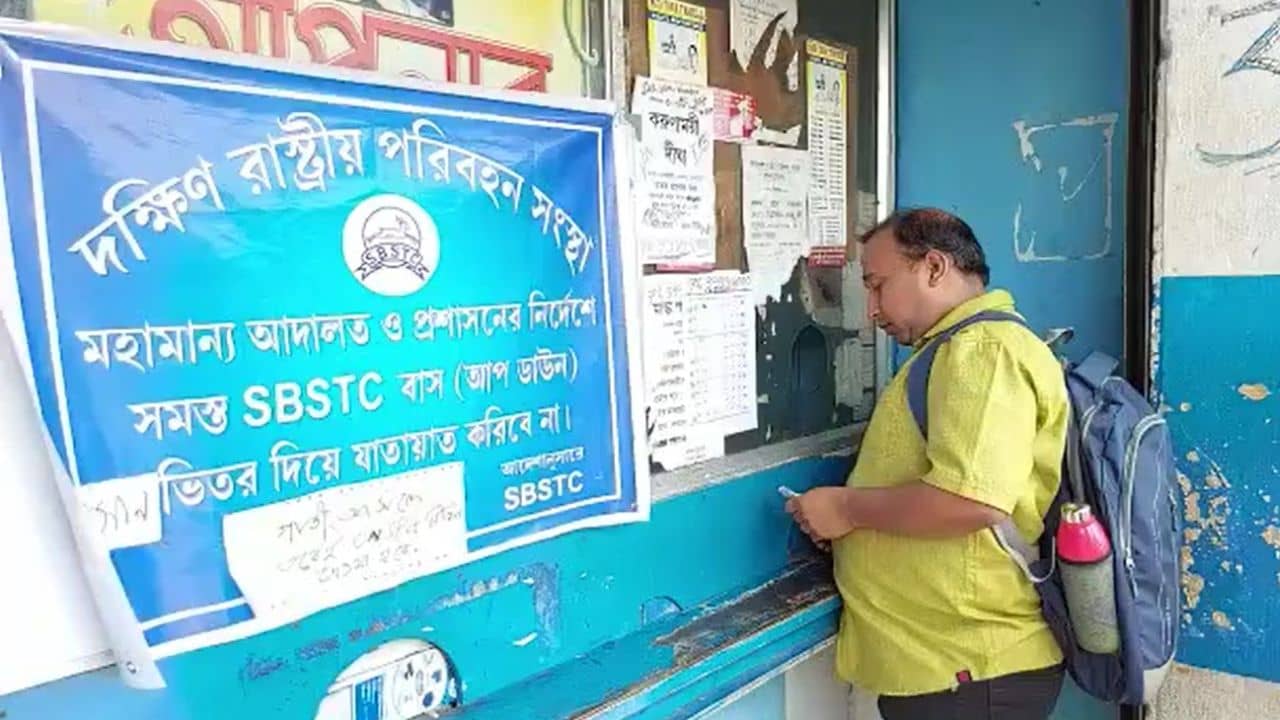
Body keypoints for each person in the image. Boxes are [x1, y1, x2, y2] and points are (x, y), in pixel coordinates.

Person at [785, 208, 1069, 720]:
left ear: (935, 267)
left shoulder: (983, 349)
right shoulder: (952, 350)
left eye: (878, 285)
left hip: (968, 670)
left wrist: (846, 509)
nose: (872, 309)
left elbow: (971, 500)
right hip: (947, 666)